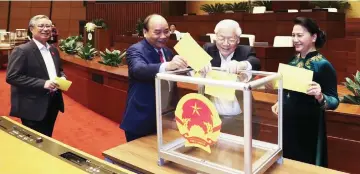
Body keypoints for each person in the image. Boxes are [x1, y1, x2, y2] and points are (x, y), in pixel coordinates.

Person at [271, 17, 339, 167]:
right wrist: (279, 101)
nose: (295, 39)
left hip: (309, 127)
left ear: (313, 37)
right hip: (289, 123)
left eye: (300, 35)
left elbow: (334, 101)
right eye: (293, 35)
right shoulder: (292, 61)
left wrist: (320, 96)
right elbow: (287, 90)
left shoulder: (323, 65)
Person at [120, 14, 188, 142]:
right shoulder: (135, 50)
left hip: (164, 118)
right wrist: (168, 66)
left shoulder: (167, 52)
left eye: (166, 31)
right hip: (141, 118)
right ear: (145, 32)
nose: (163, 36)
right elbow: (138, 70)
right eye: (157, 32)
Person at [6, 15, 66, 137]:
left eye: (48, 26)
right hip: (32, 105)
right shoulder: (22, 50)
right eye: (41, 26)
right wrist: (43, 83)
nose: (46, 29)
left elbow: (58, 70)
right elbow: (12, 77)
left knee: (47, 137)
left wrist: (62, 77)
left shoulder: (54, 50)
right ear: (32, 29)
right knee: (34, 142)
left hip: (52, 102)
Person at [200, 19, 261, 117]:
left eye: (231, 40)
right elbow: (190, 63)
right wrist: (199, 63)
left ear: (238, 40)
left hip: (240, 114)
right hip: (212, 114)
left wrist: (242, 65)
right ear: (215, 37)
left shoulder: (245, 51)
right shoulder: (208, 49)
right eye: (221, 38)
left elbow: (256, 63)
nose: (225, 44)